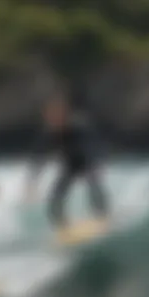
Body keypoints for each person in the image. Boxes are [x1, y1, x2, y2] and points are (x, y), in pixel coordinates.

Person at [25, 92, 109, 233]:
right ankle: (63, 227)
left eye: (58, 115)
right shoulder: (49, 133)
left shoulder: (79, 127)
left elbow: (93, 146)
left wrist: (97, 162)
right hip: (70, 166)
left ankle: (102, 216)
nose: (54, 120)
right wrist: (32, 183)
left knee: (94, 184)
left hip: (87, 161)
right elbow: (39, 158)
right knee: (55, 198)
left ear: (65, 114)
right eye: (51, 117)